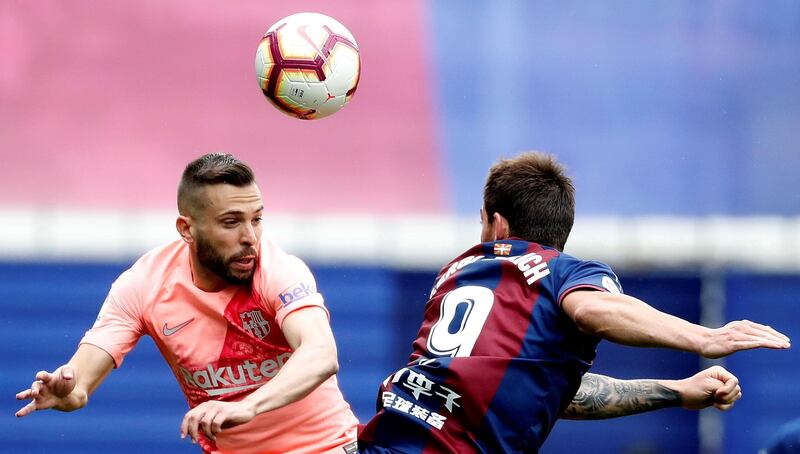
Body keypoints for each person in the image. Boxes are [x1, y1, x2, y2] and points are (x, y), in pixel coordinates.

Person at [358, 152, 790, 453]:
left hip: (381, 441)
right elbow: (592, 310)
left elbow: (550, 392)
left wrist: (675, 391)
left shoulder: (455, 274)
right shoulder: (565, 272)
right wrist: (703, 337)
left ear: (496, 223)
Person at [15, 153, 358, 454]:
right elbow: (79, 386)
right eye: (231, 222)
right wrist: (67, 395)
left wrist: (249, 406)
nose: (250, 237)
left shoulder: (278, 269)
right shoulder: (144, 285)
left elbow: (320, 354)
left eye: (256, 219)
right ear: (186, 229)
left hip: (325, 447)